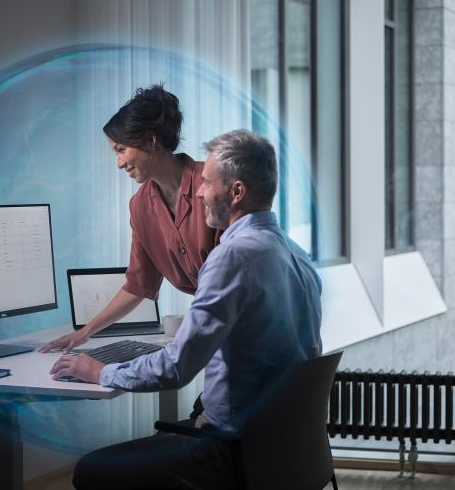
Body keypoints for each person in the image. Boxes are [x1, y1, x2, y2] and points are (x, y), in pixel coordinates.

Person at [50, 130, 323, 490]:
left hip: (233, 452)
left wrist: (100, 372)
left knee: (90, 469)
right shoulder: (296, 254)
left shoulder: (233, 256)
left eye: (208, 183)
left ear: (236, 192)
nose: (198, 191)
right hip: (287, 452)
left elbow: (178, 367)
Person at [40, 84, 221, 353]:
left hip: (250, 321)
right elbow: (139, 284)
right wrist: (86, 332)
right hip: (217, 327)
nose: (119, 163)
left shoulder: (211, 182)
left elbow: (240, 272)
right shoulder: (140, 207)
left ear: (150, 140)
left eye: (121, 150)